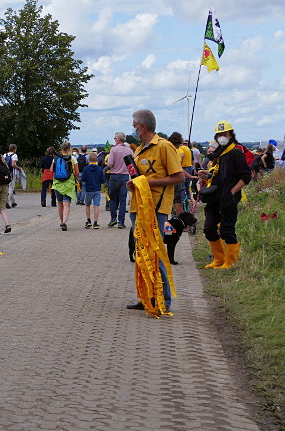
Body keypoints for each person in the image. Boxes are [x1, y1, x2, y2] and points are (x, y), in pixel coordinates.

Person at [126, 109, 184, 311]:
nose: (133, 128)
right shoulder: (140, 149)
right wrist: (133, 184)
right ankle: (146, 297)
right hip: (137, 207)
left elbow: (179, 177)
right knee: (141, 253)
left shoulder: (164, 147)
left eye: (134, 125)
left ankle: (162, 301)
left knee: (155, 253)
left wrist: (150, 183)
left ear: (142, 126)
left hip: (156, 208)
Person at [198, 121, 252, 270]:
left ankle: (230, 262)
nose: (222, 137)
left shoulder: (236, 153)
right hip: (214, 198)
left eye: (225, 134)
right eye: (219, 135)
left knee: (227, 230)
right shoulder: (218, 153)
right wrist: (206, 176)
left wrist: (232, 191)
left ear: (231, 135)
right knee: (209, 229)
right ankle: (219, 259)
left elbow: (246, 176)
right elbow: (218, 175)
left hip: (228, 199)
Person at [105, 132, 133, 228]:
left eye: (115, 138)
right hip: (125, 176)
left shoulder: (113, 149)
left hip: (114, 176)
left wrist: (105, 169)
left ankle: (113, 219)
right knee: (122, 199)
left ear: (118, 139)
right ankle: (121, 221)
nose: (114, 139)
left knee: (112, 198)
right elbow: (131, 164)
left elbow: (110, 163)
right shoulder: (129, 150)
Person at [51, 140, 79, 231]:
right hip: (68, 183)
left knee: (59, 203)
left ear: (61, 148)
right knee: (66, 204)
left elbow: (51, 170)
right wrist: (76, 179)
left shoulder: (55, 158)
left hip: (57, 183)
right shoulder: (72, 158)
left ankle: (61, 220)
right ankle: (64, 222)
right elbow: (77, 172)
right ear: (69, 148)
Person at [81, 152, 105, 229]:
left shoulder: (86, 169)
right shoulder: (100, 169)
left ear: (89, 159)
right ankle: (95, 222)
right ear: (96, 159)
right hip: (97, 189)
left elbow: (83, 179)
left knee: (87, 205)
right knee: (96, 206)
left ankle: (88, 220)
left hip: (88, 189)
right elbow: (103, 180)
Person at [4, 144, 22, 208]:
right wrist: (18, 168)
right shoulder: (14, 155)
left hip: (5, 173)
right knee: (11, 188)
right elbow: (13, 164)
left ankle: (13, 202)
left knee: (7, 187)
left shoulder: (5, 155)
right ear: (14, 149)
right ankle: (8, 202)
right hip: (12, 173)